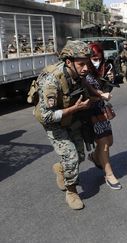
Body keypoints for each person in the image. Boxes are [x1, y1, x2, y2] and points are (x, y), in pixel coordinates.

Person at [33, 40, 92, 210]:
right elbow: (46, 116)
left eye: (87, 64)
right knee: (71, 156)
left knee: (80, 156)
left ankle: (61, 168)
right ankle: (71, 192)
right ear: (69, 62)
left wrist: (99, 94)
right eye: (82, 64)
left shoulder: (79, 73)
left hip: (70, 117)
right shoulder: (52, 80)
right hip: (53, 122)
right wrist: (75, 108)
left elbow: (86, 86)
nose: (86, 68)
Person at [84, 42, 122, 190]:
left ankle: (95, 156)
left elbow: (106, 88)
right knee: (104, 143)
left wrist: (109, 80)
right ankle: (109, 174)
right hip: (89, 110)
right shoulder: (84, 72)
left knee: (109, 141)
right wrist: (101, 95)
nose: (96, 60)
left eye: (98, 57)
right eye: (93, 57)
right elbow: (88, 92)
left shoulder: (104, 68)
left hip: (101, 109)